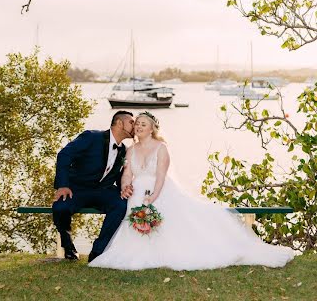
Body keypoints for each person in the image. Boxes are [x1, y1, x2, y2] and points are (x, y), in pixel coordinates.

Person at [89, 112, 295, 270]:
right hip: (137, 194)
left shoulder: (161, 148)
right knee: (133, 221)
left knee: (168, 224)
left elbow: (161, 175)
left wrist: (153, 196)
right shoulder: (131, 150)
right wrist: (126, 186)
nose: (139, 127)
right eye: (138, 124)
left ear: (152, 129)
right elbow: (127, 173)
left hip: (159, 191)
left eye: (144, 124)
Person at [52, 110, 135, 261]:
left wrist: (124, 188)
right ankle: (68, 247)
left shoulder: (124, 150)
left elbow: (118, 176)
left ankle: (98, 251)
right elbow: (64, 155)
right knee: (60, 207)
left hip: (103, 191)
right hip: (77, 189)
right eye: (131, 122)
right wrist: (63, 185)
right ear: (119, 123)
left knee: (120, 205)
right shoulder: (91, 137)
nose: (135, 126)